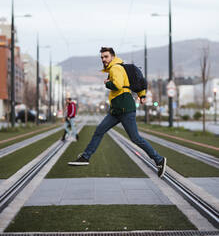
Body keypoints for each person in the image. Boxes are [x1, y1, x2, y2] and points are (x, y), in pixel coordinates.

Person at [68, 47, 166, 177]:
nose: (103, 59)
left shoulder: (115, 68)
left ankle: (159, 159)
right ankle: (85, 157)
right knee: (99, 130)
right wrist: (141, 95)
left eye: (106, 56)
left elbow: (118, 85)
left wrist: (107, 83)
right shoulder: (119, 67)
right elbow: (136, 81)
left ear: (113, 57)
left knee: (135, 138)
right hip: (116, 110)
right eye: (102, 57)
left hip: (125, 108)